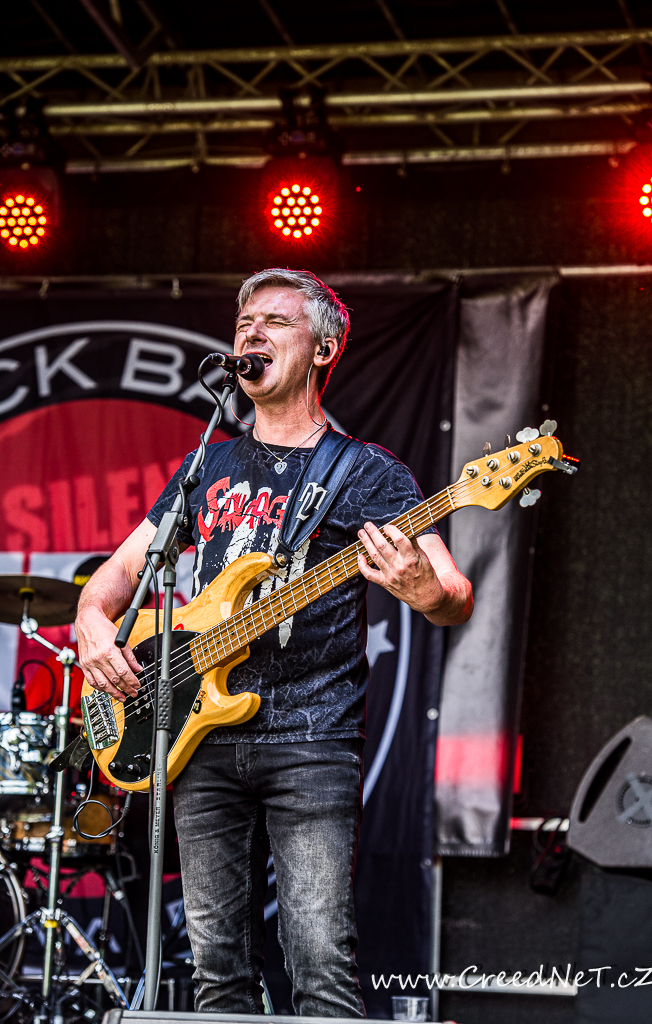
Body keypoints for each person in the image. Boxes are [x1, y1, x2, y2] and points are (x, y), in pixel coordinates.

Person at [75, 268, 473, 1017]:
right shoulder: (208, 464)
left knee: (320, 963)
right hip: (198, 738)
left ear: (323, 350)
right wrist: (93, 620)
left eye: (274, 322)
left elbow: (452, 595)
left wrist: (422, 588)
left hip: (312, 739)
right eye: (243, 323)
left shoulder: (366, 472)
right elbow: (120, 574)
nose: (250, 333)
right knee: (217, 969)